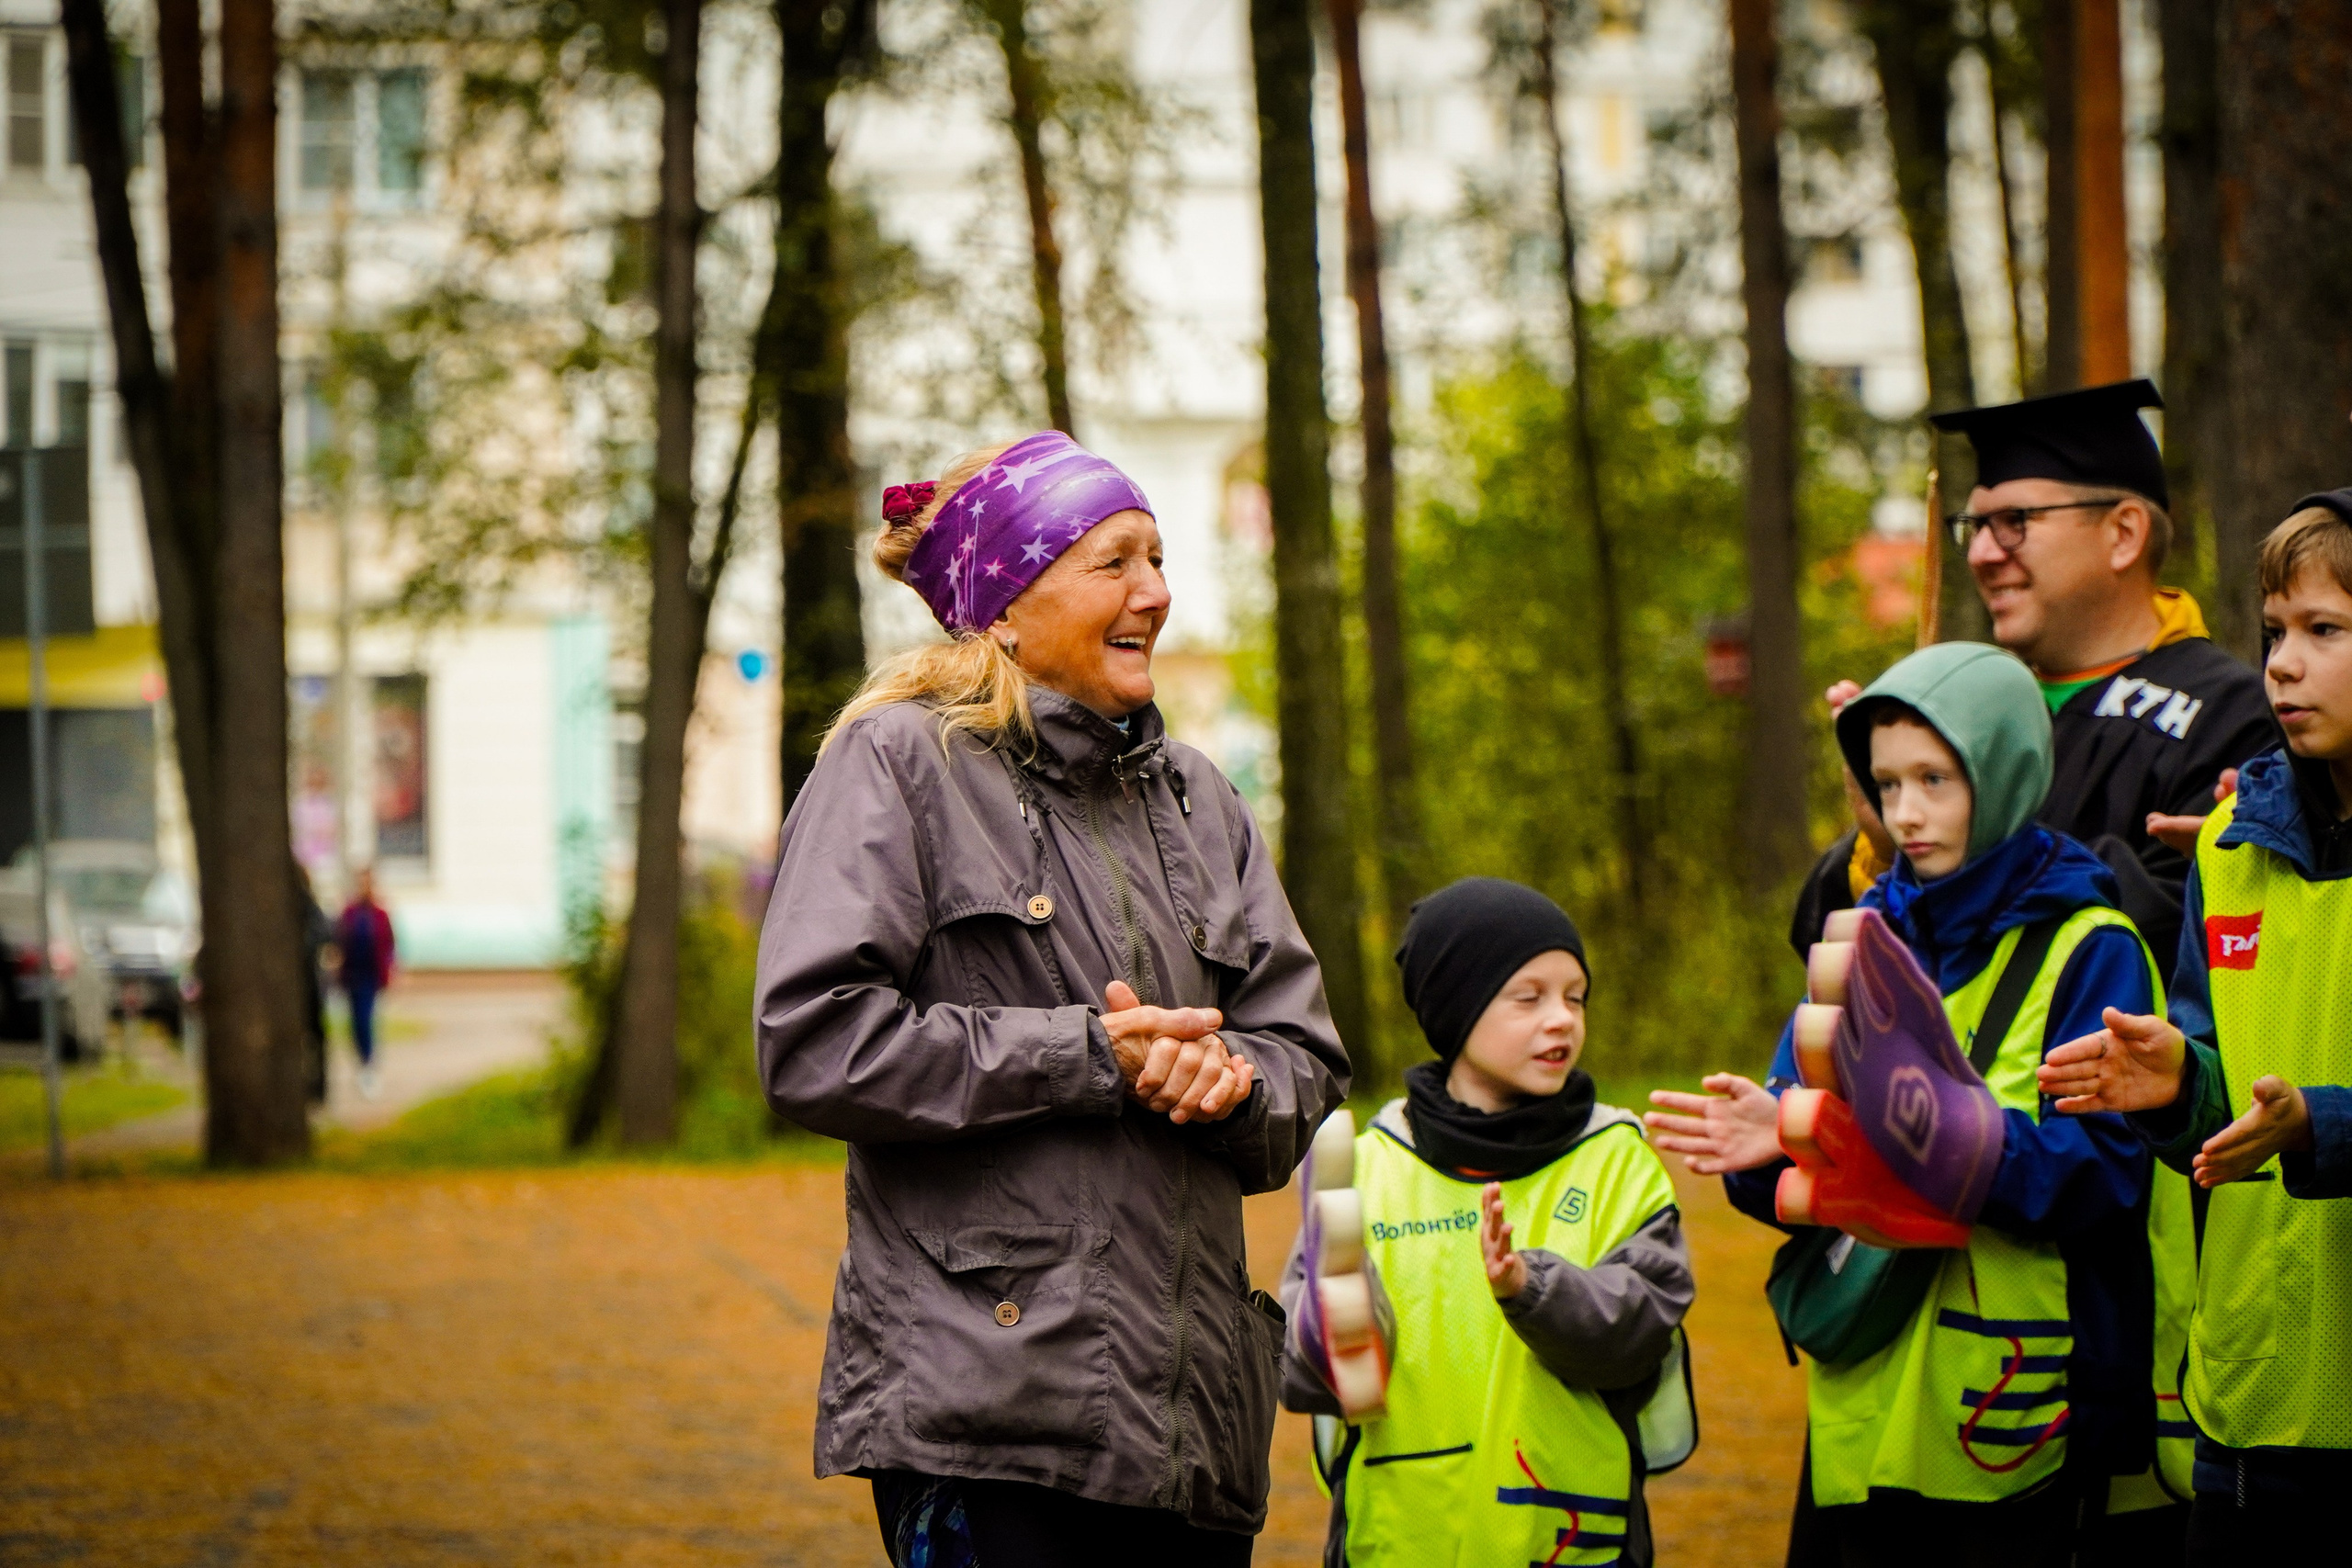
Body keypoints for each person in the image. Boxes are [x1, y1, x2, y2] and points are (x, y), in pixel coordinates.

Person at [753, 432, 1350, 1567]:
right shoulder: (897, 764)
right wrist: (1089, 1055)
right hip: (992, 1417)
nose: (1156, 594)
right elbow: (812, 1039)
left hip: (1190, 1427)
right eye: (1115, 562)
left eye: (1160, 560)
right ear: (1008, 601)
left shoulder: (1201, 799)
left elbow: (1303, 1056)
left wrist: (1226, 1083)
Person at [1649, 642, 2190, 1565]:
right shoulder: (1853, 940)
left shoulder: (2092, 947)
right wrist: (1766, 1147)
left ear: (2007, 771)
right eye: (1887, 782)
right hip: (1860, 1409)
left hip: (2016, 1415)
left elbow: (2106, 1177)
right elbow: (1810, 1172)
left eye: (1935, 779)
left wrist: (1928, 1138)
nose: (1904, 813)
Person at [2037, 491, 2352, 1564]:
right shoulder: (2229, 848)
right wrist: (2175, 1084)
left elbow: (2301, 1115)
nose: (2282, 665)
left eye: (2325, 631)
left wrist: (2326, 1126)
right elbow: (2220, 1095)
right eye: (2273, 632)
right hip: (2244, 1420)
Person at [1792, 380, 2274, 984]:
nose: (1982, 553)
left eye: (2015, 521)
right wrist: (1882, 845)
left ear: (2123, 534)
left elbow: (2180, 933)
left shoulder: (2231, 715)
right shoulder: (1973, 708)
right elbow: (1823, 947)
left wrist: (1961, 854)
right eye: (1975, 525)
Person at [1280, 877, 1692, 1568]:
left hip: (1569, 1539)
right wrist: (1338, 1329)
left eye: (1575, 996)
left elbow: (1643, 1327)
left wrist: (1531, 1287)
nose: (1561, 1018)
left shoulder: (1617, 1157)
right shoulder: (1368, 1166)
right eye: (1527, 997)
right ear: (1456, 1010)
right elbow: (1303, 1372)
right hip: (1401, 1540)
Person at [335, 865, 395, 1101]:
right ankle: (362, 1061)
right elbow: (340, 941)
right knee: (355, 1023)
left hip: (371, 975)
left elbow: (389, 943)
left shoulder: (379, 915)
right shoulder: (349, 914)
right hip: (352, 975)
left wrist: (391, 968)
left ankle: (369, 1064)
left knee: (366, 1019)